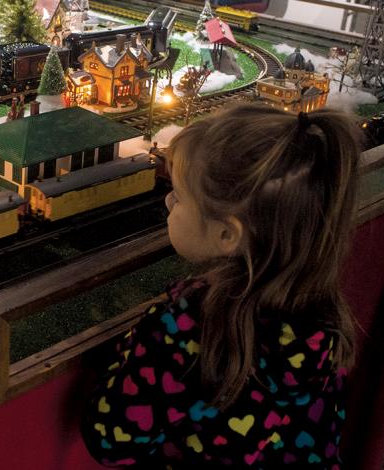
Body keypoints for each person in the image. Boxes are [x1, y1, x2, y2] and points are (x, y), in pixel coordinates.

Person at [81, 103, 361, 468]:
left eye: (179, 196)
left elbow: (109, 438)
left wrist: (132, 350)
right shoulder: (322, 314)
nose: (168, 202)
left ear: (227, 234)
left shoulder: (185, 328)